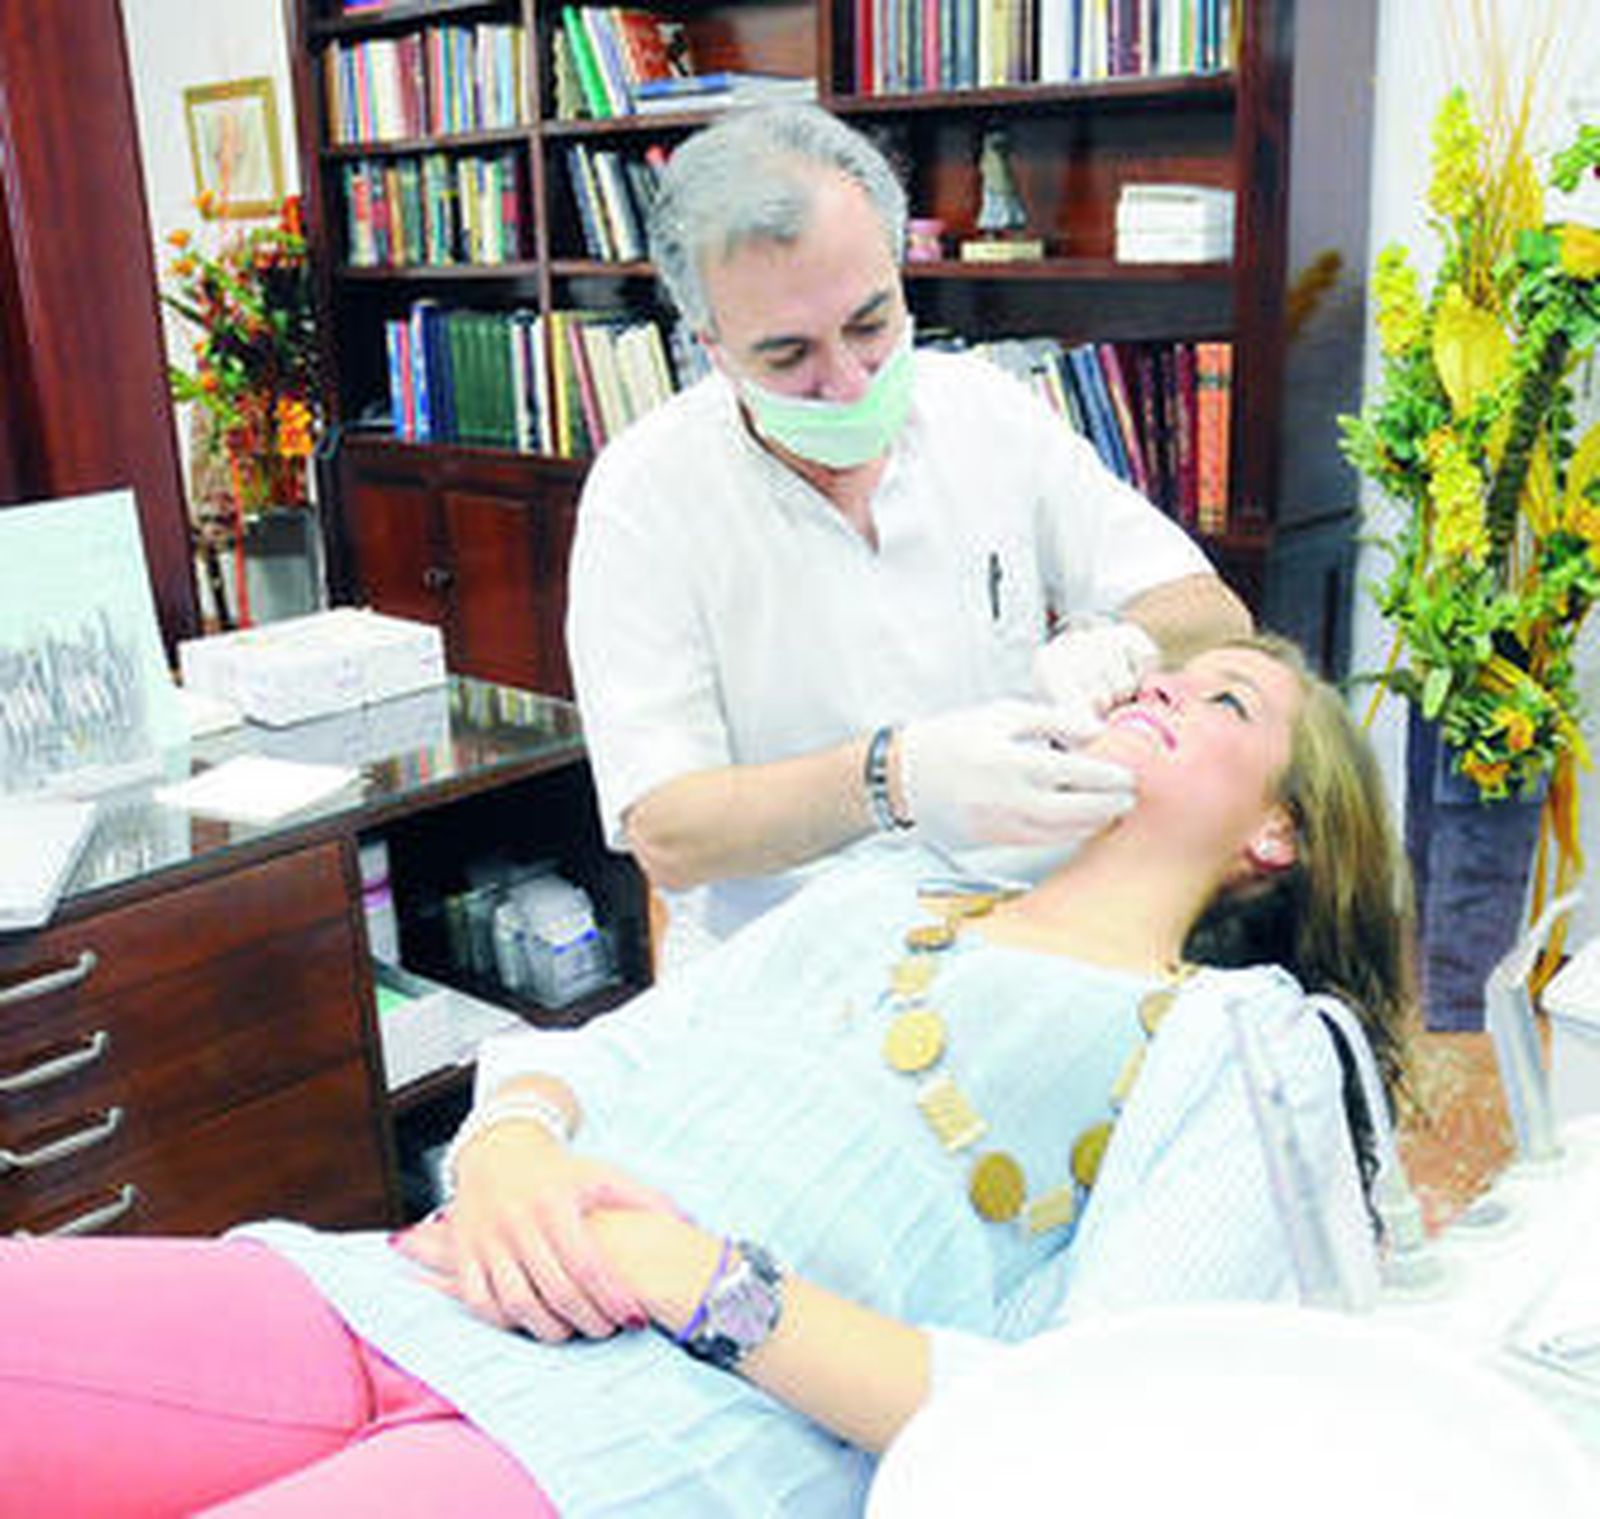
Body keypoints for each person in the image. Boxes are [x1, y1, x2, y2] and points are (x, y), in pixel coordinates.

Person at [0, 635, 1414, 1519]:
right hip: (440, 1279)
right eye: (1164, 669)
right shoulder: (897, 886)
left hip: (669, 1438)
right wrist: (507, 1153)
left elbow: (1084, 1425)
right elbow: (604, 1050)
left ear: (1279, 831)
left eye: (1221, 693)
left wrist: (690, 1275)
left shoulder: (1234, 1040)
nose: (1164, 681)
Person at [565, 104, 1252, 962]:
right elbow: (670, 825)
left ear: (898, 274)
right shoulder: (646, 496)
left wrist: (1123, 642)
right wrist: (892, 779)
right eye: (788, 356)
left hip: (1021, 927)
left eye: (870, 324)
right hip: (786, 965)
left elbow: (1216, 614)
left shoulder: (984, 408)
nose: (849, 384)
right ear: (711, 345)